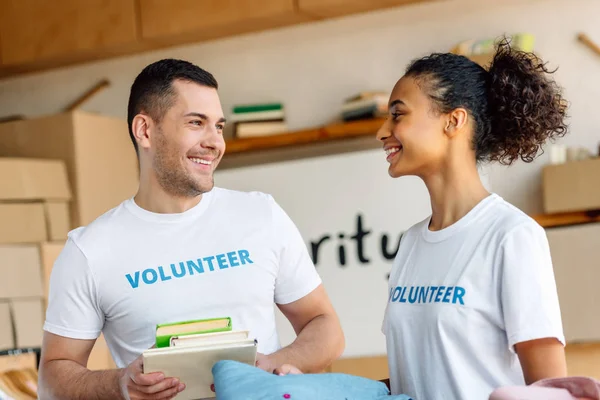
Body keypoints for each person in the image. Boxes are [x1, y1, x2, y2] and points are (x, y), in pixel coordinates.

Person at [38, 59, 344, 400]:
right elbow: (52, 378)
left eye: (219, 126)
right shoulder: (89, 250)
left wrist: (273, 364)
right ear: (145, 131)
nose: (215, 142)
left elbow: (325, 326)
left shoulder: (261, 215)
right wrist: (119, 384)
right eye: (196, 123)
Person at [376, 38, 569, 400]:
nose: (382, 131)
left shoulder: (511, 236)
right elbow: (418, 374)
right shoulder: (411, 243)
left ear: (454, 120)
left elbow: (551, 391)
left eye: (398, 114)